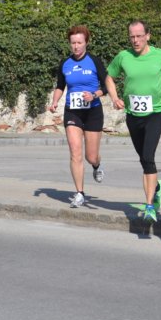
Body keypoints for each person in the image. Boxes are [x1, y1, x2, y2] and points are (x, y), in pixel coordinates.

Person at [105, 20, 161, 223]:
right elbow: (109, 77)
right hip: (133, 116)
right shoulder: (124, 56)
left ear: (148, 35)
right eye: (132, 37)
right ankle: (157, 188)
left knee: (148, 157)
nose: (135, 40)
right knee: (144, 160)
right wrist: (115, 98)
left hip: (155, 114)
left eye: (139, 36)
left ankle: (149, 207)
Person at [48, 25, 107, 208]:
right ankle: (80, 193)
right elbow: (60, 86)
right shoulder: (65, 63)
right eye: (73, 43)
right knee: (75, 152)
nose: (76, 46)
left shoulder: (94, 61)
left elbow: (106, 86)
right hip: (72, 111)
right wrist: (55, 101)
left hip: (93, 111)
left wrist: (94, 95)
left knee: (91, 156)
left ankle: (96, 166)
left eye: (79, 42)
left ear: (86, 43)